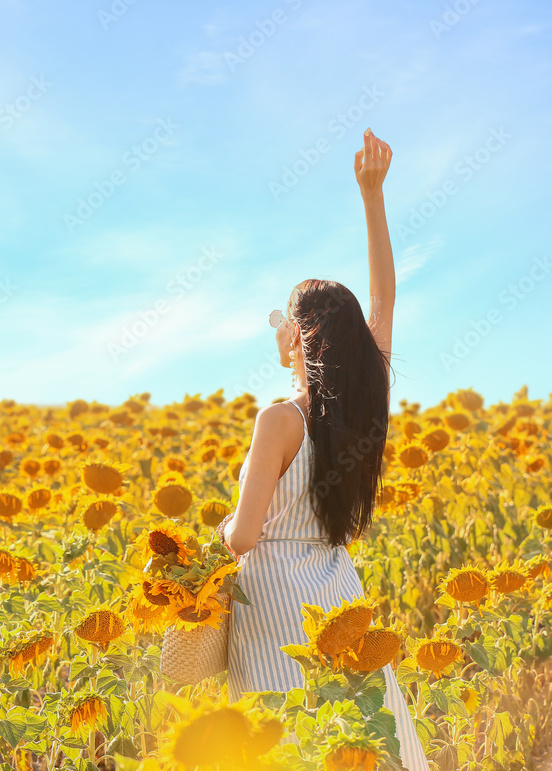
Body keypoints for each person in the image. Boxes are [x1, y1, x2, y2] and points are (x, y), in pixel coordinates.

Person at [219, 129, 429, 771]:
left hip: (276, 604)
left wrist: (220, 526)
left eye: (286, 316)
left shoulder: (279, 420)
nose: (278, 326)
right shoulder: (364, 405)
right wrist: (372, 196)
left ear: (301, 337)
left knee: (286, 743)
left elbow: (244, 539)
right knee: (360, 732)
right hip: (337, 589)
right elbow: (386, 300)